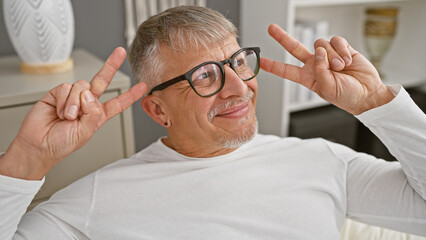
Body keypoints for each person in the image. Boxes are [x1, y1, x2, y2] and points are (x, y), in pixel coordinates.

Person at [0, 5, 425, 240]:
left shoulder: (322, 159)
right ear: (157, 110)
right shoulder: (96, 199)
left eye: (238, 62)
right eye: (205, 75)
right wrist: (26, 159)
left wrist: (377, 102)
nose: (239, 88)